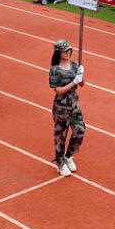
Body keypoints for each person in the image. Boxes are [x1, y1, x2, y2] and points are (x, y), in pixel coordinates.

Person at [49, 39, 85, 177]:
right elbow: (58, 91)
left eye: (68, 49)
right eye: (64, 50)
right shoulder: (55, 70)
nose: (67, 52)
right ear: (58, 52)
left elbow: (82, 84)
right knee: (60, 136)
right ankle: (60, 163)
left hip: (74, 105)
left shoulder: (74, 66)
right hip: (61, 107)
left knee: (80, 132)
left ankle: (68, 155)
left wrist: (80, 76)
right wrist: (73, 81)